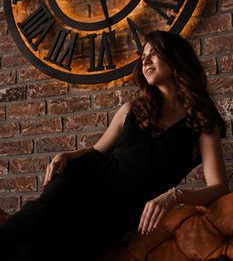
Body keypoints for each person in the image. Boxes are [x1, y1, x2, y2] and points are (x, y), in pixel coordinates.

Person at [0, 30, 230, 261]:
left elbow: (219, 187)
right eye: (143, 56)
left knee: (42, 252)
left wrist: (174, 196)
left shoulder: (201, 125)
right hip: (82, 181)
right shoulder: (132, 110)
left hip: (115, 215)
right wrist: (68, 154)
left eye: (154, 53)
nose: (145, 61)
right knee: (36, 217)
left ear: (176, 59)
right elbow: (97, 150)